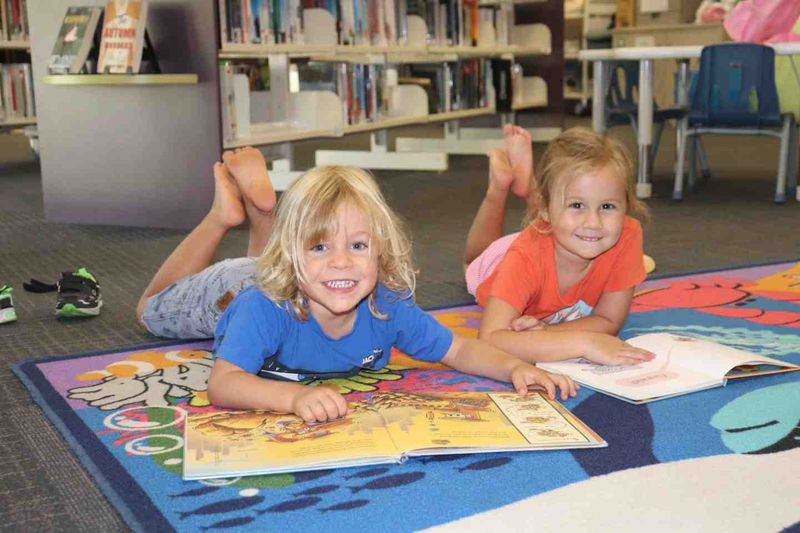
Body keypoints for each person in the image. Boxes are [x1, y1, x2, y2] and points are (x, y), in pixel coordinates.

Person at [137, 149, 577, 423]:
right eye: (322, 246)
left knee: (293, 265)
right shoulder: (260, 308)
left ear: (381, 253)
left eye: (359, 244)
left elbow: (457, 349)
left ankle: (263, 213)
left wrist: (515, 368)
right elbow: (225, 382)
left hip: (293, 271)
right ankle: (224, 216)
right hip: (232, 290)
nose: (343, 261)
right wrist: (291, 397)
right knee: (149, 310)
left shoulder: (386, 305)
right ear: (293, 255)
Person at [463, 125, 656, 366]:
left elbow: (608, 319)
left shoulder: (626, 233)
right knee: (474, 259)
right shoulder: (523, 258)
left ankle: (527, 185)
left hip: (556, 237)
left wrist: (546, 334)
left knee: (562, 215)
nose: (594, 223)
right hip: (500, 261)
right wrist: (585, 342)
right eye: (577, 205)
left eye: (607, 207)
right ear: (543, 209)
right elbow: (490, 339)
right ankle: (499, 188)